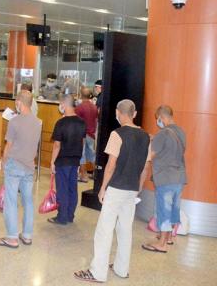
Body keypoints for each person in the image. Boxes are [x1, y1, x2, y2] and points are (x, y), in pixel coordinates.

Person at [74, 99, 151, 283]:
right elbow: (146, 167)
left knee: (104, 230)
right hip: (132, 189)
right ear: (134, 114)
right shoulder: (146, 136)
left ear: (118, 113)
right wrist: (139, 188)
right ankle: (121, 268)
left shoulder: (117, 134)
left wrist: (102, 188)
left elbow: (111, 165)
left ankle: (98, 272)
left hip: (116, 187)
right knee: (125, 229)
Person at [0, 90, 42, 249]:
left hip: (14, 165)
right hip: (29, 166)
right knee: (28, 201)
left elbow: (9, 145)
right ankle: (27, 235)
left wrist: (2, 162)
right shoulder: (38, 122)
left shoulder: (14, 122)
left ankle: (12, 237)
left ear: (19, 103)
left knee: (11, 201)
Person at [142, 105, 187, 253]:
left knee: (164, 211)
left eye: (157, 119)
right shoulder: (181, 132)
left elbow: (151, 155)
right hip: (179, 177)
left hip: (165, 178)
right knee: (174, 209)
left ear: (162, 117)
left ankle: (162, 244)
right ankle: (169, 238)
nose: (157, 122)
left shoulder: (162, 134)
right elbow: (173, 148)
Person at [48, 94, 86, 225]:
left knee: (62, 189)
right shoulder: (81, 122)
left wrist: (52, 162)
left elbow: (57, 145)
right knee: (72, 188)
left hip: (62, 161)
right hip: (75, 161)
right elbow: (82, 141)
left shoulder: (61, 123)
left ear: (64, 104)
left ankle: (62, 217)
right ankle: (70, 215)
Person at [75, 87, 98, 183]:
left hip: (82, 135)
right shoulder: (94, 107)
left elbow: (76, 122)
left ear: (80, 95)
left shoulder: (79, 108)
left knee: (82, 155)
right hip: (91, 134)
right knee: (92, 155)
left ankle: (84, 176)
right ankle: (96, 174)